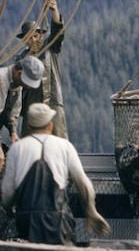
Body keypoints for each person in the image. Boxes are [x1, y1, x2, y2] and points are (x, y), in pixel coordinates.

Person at [1, 103, 110, 244]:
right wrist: (91, 211)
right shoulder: (65, 146)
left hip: (27, 222)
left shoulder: (17, 149)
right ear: (50, 125)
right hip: (58, 221)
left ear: (28, 126)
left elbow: (7, 193)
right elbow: (84, 185)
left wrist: (12, 209)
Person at [16, 0, 68, 139]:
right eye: (31, 36)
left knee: (58, 143)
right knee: (31, 144)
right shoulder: (21, 58)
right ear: (25, 40)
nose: (35, 39)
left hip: (53, 104)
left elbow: (58, 32)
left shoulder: (50, 48)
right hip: (31, 110)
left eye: (38, 35)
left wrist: (54, 9)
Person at [0, 56, 45, 159]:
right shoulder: (1, 80)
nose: (26, 87)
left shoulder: (16, 84)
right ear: (19, 73)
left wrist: (13, 132)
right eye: (25, 83)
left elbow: (12, 113)